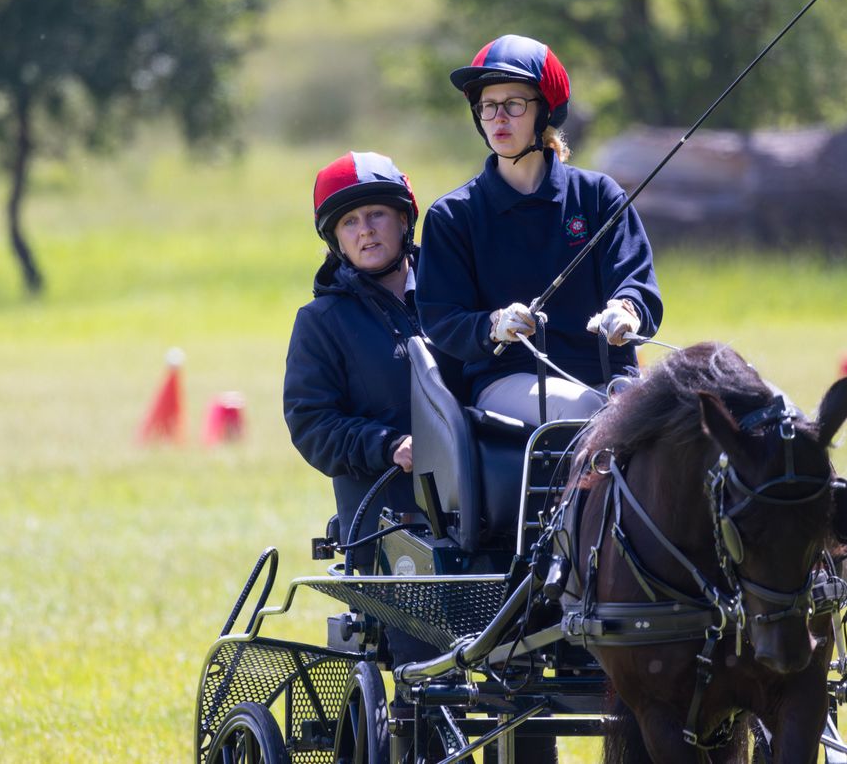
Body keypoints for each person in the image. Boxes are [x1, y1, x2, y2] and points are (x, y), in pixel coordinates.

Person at [417, 34, 663, 426]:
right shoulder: (453, 215)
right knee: (587, 410)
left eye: (513, 104)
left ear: (543, 113)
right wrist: (492, 325)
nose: (499, 117)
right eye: (488, 106)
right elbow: (441, 317)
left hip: (613, 375)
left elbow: (636, 281)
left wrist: (627, 310)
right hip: (507, 379)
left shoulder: (599, 195)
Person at [284, 150, 421, 569]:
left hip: (490, 517)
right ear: (335, 240)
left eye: (376, 214)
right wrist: (389, 446)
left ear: (403, 220)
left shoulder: (458, 297)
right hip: (387, 531)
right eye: (350, 222)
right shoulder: (320, 322)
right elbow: (311, 423)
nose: (366, 232)